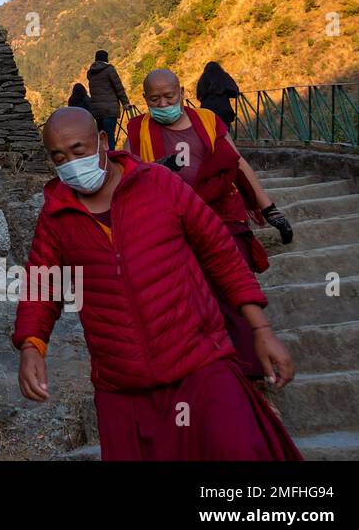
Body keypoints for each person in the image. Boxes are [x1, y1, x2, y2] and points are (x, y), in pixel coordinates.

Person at [14, 107, 301, 460]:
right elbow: (41, 285)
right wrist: (32, 345)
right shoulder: (57, 215)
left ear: (103, 141)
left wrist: (260, 328)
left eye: (78, 150)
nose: (71, 163)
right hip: (123, 387)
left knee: (240, 452)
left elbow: (221, 253)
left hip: (200, 366)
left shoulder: (158, 184)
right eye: (59, 157)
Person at [124, 68, 296, 379]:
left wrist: (269, 209)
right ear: (145, 99)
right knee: (195, 301)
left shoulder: (206, 120)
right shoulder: (138, 129)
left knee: (235, 294)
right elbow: (129, 176)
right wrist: (152, 171)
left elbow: (235, 162)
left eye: (169, 96)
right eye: (155, 99)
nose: (163, 104)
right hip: (175, 224)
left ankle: (254, 373)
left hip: (224, 216)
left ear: (182, 92)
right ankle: (216, 370)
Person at [86, 50, 131, 148]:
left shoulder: (90, 72)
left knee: (102, 137)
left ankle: (103, 160)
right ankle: (112, 160)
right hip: (109, 109)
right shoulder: (109, 70)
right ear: (106, 58)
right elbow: (118, 87)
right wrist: (125, 103)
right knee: (109, 136)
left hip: (97, 111)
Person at [197, 61, 241, 126]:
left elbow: (199, 94)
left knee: (210, 132)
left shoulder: (202, 78)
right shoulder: (223, 76)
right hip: (223, 110)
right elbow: (235, 91)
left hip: (206, 110)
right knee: (224, 132)